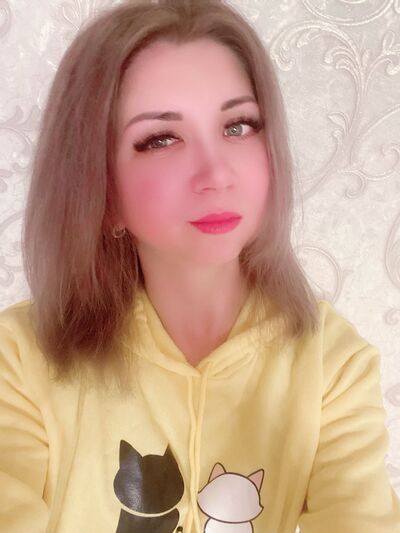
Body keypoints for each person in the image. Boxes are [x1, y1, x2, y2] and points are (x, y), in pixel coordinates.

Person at [0, 0, 399, 531]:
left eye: (238, 126)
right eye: (160, 139)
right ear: (101, 188)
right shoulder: (19, 361)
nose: (216, 173)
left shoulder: (333, 364)